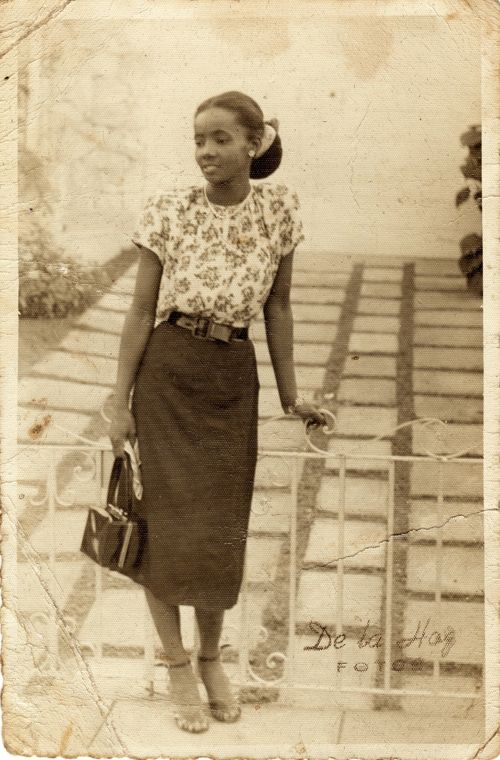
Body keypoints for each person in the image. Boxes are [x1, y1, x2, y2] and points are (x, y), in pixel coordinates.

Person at [109, 91, 327, 734]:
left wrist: (293, 397)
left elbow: (278, 309)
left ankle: (210, 660)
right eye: (198, 138)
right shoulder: (169, 208)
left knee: (218, 530)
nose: (205, 151)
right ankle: (176, 664)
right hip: (168, 374)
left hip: (233, 380)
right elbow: (139, 310)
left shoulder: (280, 210)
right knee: (164, 526)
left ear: (253, 144)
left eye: (220, 139)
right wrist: (116, 400)